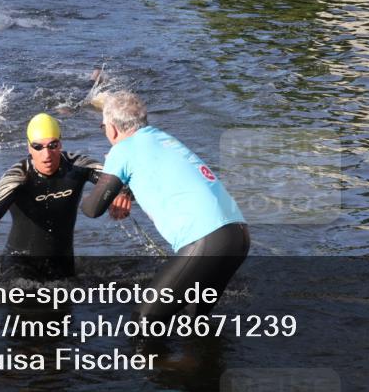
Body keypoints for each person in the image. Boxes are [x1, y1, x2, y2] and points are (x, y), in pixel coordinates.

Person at [81, 91, 250, 322]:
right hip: (238, 236)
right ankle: (192, 359)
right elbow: (160, 176)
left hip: (207, 240)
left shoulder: (122, 150)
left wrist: (79, 177)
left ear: (111, 129)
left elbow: (92, 209)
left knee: (144, 319)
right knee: (191, 320)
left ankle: (153, 360)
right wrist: (124, 189)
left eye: (103, 128)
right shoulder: (163, 139)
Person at [0, 113, 128, 281]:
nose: (46, 155)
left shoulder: (77, 166)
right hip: (19, 266)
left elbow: (119, 175)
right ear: (29, 147)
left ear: (60, 143)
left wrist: (124, 193)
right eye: (38, 147)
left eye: (52, 145)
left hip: (63, 265)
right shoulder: (17, 176)